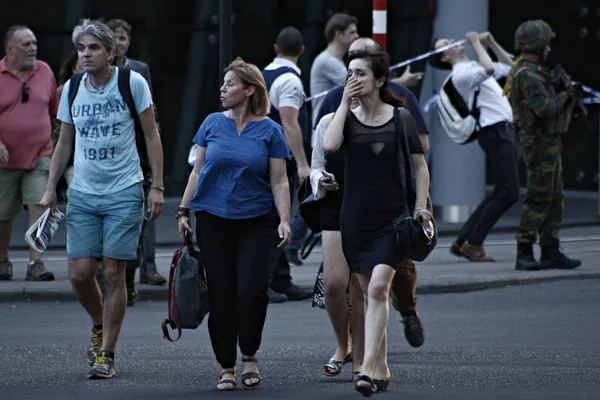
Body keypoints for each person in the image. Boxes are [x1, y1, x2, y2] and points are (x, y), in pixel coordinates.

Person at [40, 19, 165, 379]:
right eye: (81, 48)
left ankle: (106, 353)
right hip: (82, 192)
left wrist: (156, 186)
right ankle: (100, 323)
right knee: (79, 275)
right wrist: (52, 189)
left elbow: (151, 135)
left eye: (93, 48)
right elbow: (64, 140)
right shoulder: (73, 88)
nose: (86, 54)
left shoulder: (132, 83)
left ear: (111, 52)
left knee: (113, 273)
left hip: (125, 190)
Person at [177, 57, 292, 391]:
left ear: (249, 90)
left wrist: (285, 220)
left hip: (257, 222)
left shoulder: (271, 130)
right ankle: (226, 365)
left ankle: (250, 355)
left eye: (230, 84)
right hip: (213, 220)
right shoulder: (212, 123)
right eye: (224, 83)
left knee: (251, 291)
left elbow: (280, 181)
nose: (223, 89)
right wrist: (183, 211)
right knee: (222, 293)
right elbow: (197, 171)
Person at [323, 51, 431, 396]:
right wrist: (344, 102)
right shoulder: (347, 119)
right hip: (355, 219)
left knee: (379, 290)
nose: (353, 79)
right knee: (371, 296)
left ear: (380, 80)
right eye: (349, 74)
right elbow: (330, 144)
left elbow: (420, 167)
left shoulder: (401, 118)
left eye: (360, 74)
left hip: (393, 218)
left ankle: (366, 369)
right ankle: (381, 366)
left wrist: (420, 207)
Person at [429, 32, 520, 261]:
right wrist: (477, 44)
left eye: (449, 40)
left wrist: (492, 43)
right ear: (444, 58)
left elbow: (513, 69)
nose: (452, 42)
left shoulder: (471, 67)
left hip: (501, 131)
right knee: (509, 192)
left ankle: (463, 240)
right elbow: (489, 69)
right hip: (495, 131)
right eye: (446, 44)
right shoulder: (461, 75)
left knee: (503, 191)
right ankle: (473, 243)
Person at [504, 20, 581, 271]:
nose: (549, 48)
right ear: (538, 45)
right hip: (537, 142)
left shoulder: (535, 72)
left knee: (555, 197)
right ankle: (524, 251)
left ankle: (550, 250)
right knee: (539, 197)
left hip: (547, 141)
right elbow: (544, 109)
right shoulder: (527, 74)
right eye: (546, 43)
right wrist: (566, 94)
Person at [106, 18, 167, 292]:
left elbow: (149, 110)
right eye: (114, 37)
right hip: (111, 152)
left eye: (122, 38)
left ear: (128, 42)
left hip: (138, 147)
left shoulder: (139, 70)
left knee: (147, 209)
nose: (118, 43)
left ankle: (149, 266)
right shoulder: (97, 71)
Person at [0, 25, 58, 282]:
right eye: (26, 44)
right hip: (4, 159)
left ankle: (37, 263)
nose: (33, 48)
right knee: (3, 213)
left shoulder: (44, 71)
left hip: (40, 153)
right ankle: (2, 261)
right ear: (10, 50)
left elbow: (55, 111)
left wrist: (55, 143)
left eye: (34, 43)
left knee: (41, 206)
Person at [262, 26, 313, 302]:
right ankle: (267, 281)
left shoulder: (264, 75)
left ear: (275, 48)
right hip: (281, 158)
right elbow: (289, 123)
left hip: (266, 156)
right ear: (302, 51)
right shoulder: (291, 81)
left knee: (275, 216)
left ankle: (281, 280)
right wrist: (303, 164)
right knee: (278, 219)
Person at [310, 13, 359, 128]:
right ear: (338, 35)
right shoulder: (327, 61)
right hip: (326, 128)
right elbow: (360, 84)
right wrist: (402, 81)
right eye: (352, 32)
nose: (357, 36)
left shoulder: (336, 60)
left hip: (332, 126)